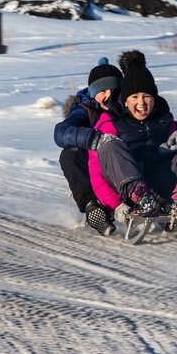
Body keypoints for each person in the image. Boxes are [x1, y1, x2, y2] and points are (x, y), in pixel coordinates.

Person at [88, 50, 177, 222]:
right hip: (127, 192)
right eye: (134, 97)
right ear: (125, 101)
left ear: (154, 99)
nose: (141, 103)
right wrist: (116, 205)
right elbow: (96, 173)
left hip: (158, 186)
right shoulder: (109, 122)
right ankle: (141, 196)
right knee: (110, 144)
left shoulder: (163, 118)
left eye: (147, 96)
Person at [54, 57, 123, 236]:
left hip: (124, 161)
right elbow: (61, 132)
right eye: (102, 91)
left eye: (113, 90)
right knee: (69, 155)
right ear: (93, 93)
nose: (107, 95)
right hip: (94, 162)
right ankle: (92, 207)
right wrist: (93, 139)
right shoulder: (86, 108)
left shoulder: (128, 104)